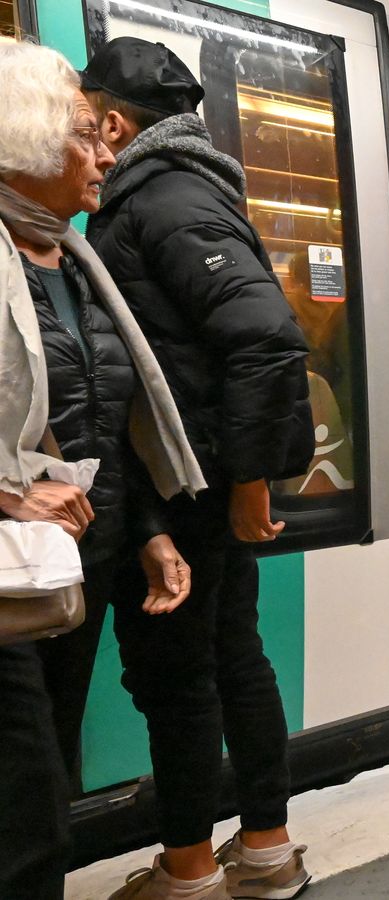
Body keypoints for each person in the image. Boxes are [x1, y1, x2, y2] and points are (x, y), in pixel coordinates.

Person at [82, 36, 315, 898]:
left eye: (84, 123)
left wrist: (248, 481)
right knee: (231, 659)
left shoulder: (161, 197)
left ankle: (186, 871)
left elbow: (263, 338)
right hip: (204, 474)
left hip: (189, 484)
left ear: (113, 120)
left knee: (179, 676)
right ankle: (264, 851)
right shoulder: (183, 190)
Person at [0, 38, 205, 900]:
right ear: (28, 139)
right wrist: (6, 493)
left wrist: (151, 531)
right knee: (26, 817)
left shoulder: (74, 263)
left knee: (48, 791)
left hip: (68, 570)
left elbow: (104, 423)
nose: (110, 154)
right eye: (89, 135)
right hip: (8, 570)